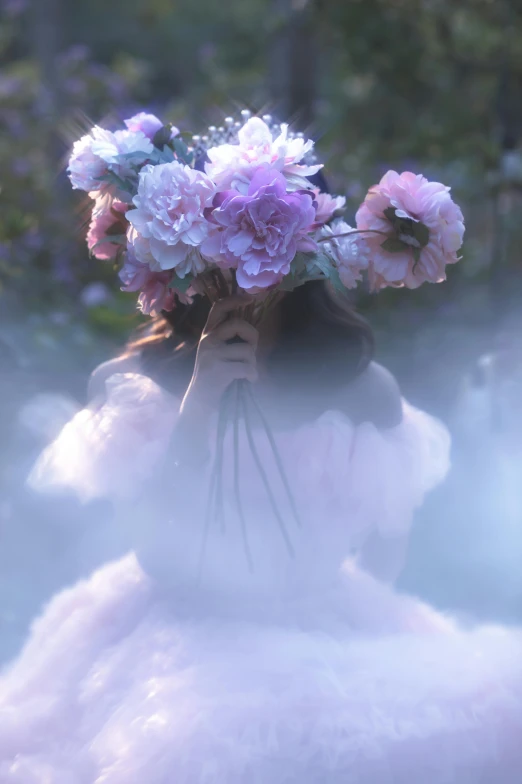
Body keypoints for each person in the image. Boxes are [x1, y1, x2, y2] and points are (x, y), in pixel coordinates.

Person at [1, 281, 521, 783]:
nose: (244, 262)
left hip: (323, 624)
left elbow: (385, 551)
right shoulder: (130, 386)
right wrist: (198, 402)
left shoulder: (361, 388)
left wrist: (344, 641)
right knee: (187, 742)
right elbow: (157, 552)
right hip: (175, 627)